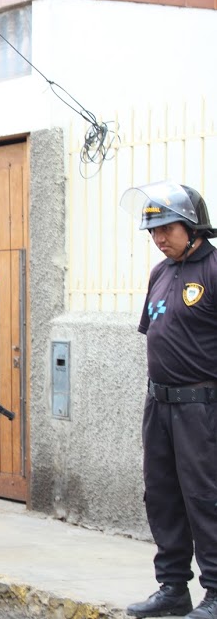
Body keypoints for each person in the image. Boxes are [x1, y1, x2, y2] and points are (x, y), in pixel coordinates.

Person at [119, 181, 217, 619]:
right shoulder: (161, 273)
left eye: (166, 230)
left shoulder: (214, 268)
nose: (158, 240)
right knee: (161, 495)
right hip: (158, 404)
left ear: (193, 227)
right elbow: (157, 333)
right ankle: (173, 587)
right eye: (153, 232)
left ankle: (215, 591)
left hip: (204, 407)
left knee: (205, 496)